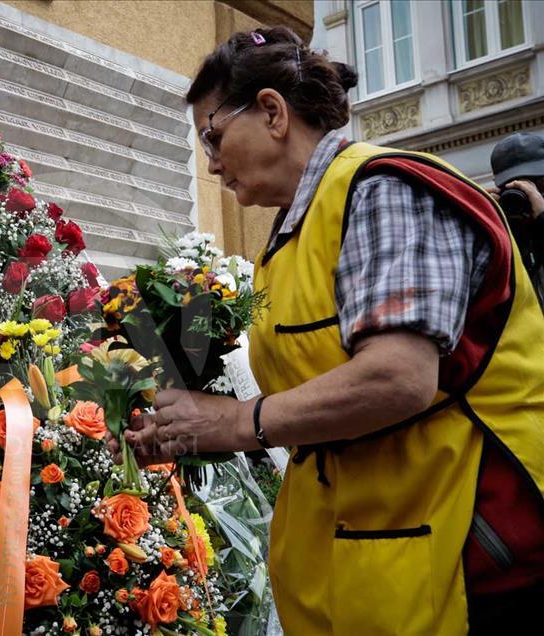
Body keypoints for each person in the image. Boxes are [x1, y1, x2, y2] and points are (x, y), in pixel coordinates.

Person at [111, 27, 544, 635]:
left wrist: (237, 422)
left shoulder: (383, 190)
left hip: (472, 562)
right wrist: (197, 429)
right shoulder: (287, 237)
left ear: (271, 111)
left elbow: (399, 378)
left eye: (213, 135)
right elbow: (309, 398)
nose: (210, 163)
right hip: (372, 557)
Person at [487, 132, 544, 311]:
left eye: (538, 183)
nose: (528, 193)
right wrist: (488, 219)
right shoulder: (503, 234)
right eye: (514, 185)